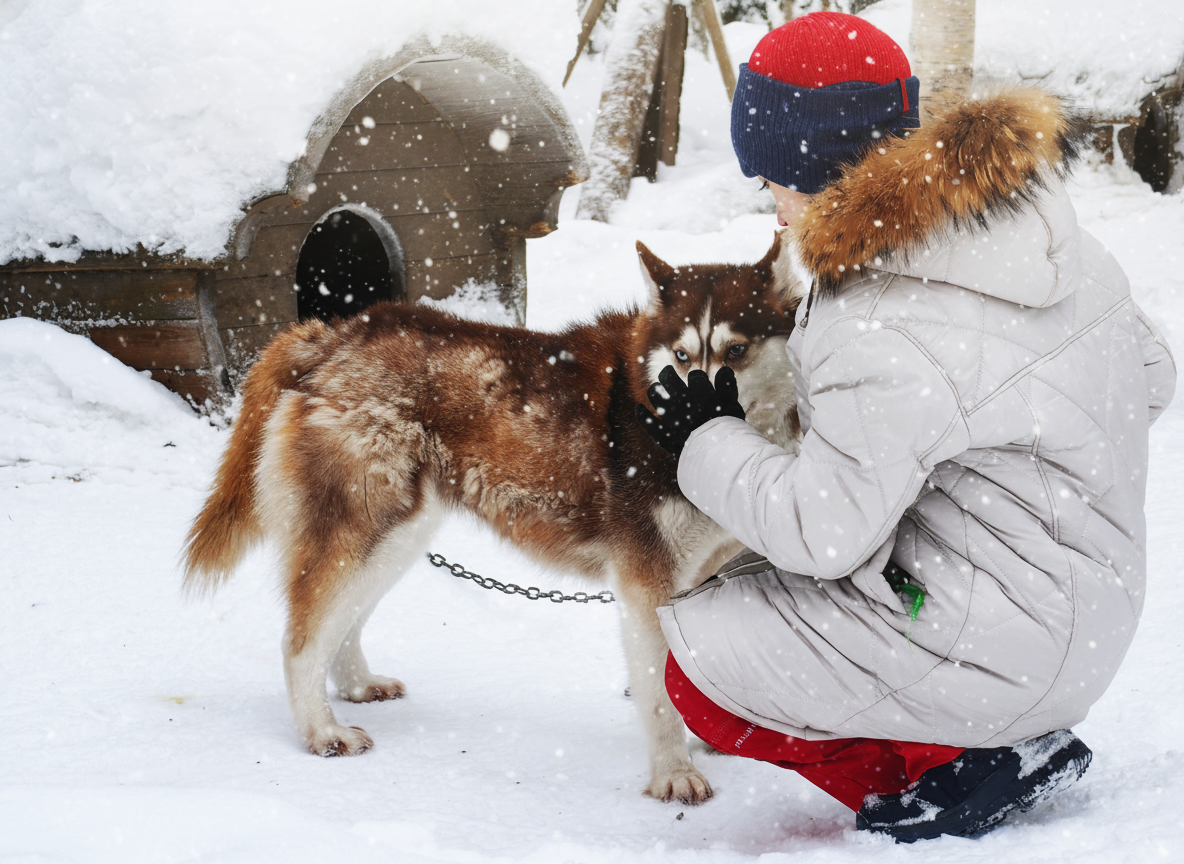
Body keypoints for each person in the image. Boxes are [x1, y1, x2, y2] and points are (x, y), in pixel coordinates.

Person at [635, 11, 1176, 843]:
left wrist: (706, 438)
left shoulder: (877, 312)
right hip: (1095, 610)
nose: (770, 200)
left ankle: (942, 771)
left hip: (1001, 649)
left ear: (806, 167)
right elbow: (1151, 380)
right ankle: (976, 729)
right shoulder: (1035, 230)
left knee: (698, 671)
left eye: (770, 176)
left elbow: (824, 537)